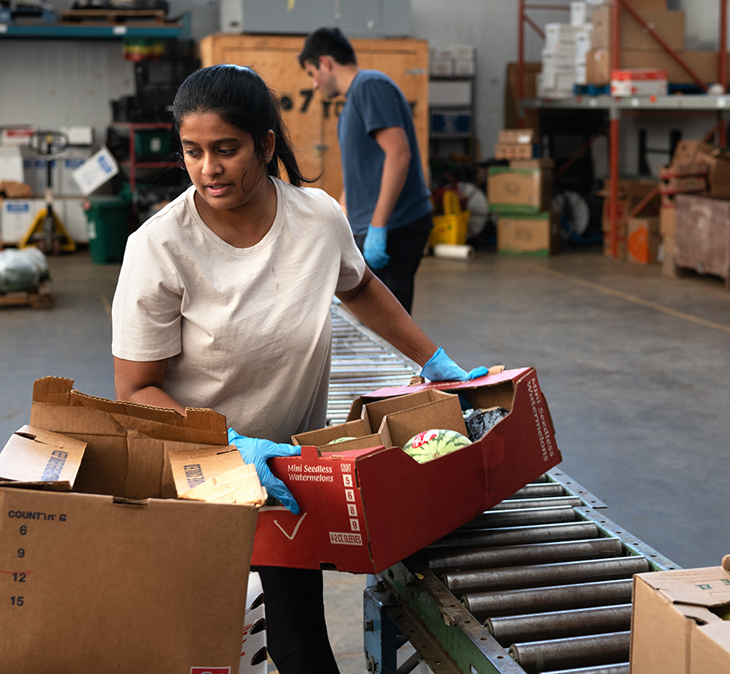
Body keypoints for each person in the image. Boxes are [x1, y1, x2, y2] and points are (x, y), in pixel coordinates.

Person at [110, 64, 486, 674]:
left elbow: (360, 287)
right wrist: (227, 444)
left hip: (284, 474)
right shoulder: (159, 247)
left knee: (301, 644)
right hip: (196, 475)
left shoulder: (316, 217)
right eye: (193, 152)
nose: (209, 169)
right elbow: (135, 389)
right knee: (200, 643)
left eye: (226, 150)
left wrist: (433, 360)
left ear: (264, 143)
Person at [299, 27, 434, 314]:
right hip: (373, 226)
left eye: (312, 73)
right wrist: (340, 220)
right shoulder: (352, 104)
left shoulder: (369, 86)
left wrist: (378, 226)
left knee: (389, 322)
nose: (314, 84)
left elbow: (398, 153)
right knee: (370, 318)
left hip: (396, 225)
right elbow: (357, 173)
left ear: (325, 63)